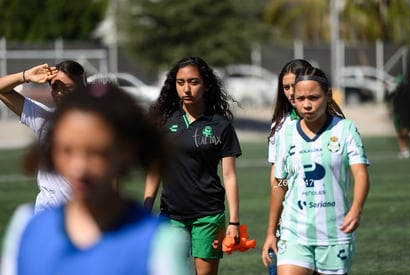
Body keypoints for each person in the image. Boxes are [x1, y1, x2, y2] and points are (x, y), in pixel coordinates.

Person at [1, 82, 190, 275]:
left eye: (96, 152)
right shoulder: (26, 227)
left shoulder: (159, 241)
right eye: (67, 150)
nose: (79, 168)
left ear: (126, 152)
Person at [144, 56, 241, 275]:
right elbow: (154, 170)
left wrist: (234, 222)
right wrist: (145, 210)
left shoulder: (220, 125)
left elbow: (230, 175)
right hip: (170, 216)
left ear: (206, 85)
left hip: (208, 215)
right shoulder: (164, 121)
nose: (186, 89)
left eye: (193, 82)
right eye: (181, 83)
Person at [270, 67, 370, 275]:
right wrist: (272, 231)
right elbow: (280, 183)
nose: (306, 104)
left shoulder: (345, 130)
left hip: (335, 232)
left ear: (328, 96)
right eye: (301, 98)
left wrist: (357, 208)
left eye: (313, 97)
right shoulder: (285, 135)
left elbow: (360, 174)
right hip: (294, 231)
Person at [0, 60, 87, 213]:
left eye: (66, 87)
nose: (59, 93)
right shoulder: (44, 118)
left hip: (82, 216)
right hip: (46, 215)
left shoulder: (97, 127)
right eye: (54, 88)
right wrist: (26, 75)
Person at [262, 59, 313, 267]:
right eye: (286, 87)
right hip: (289, 218)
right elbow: (277, 177)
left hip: (321, 214)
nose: (291, 92)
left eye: (295, 85)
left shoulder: (334, 123)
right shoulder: (280, 125)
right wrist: (281, 210)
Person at [387, 74, 410, 159]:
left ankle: (406, 149)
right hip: (397, 113)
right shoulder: (394, 91)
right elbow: (387, 98)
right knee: (399, 132)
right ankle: (403, 150)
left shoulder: (408, 89)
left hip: (406, 113)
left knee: (405, 132)